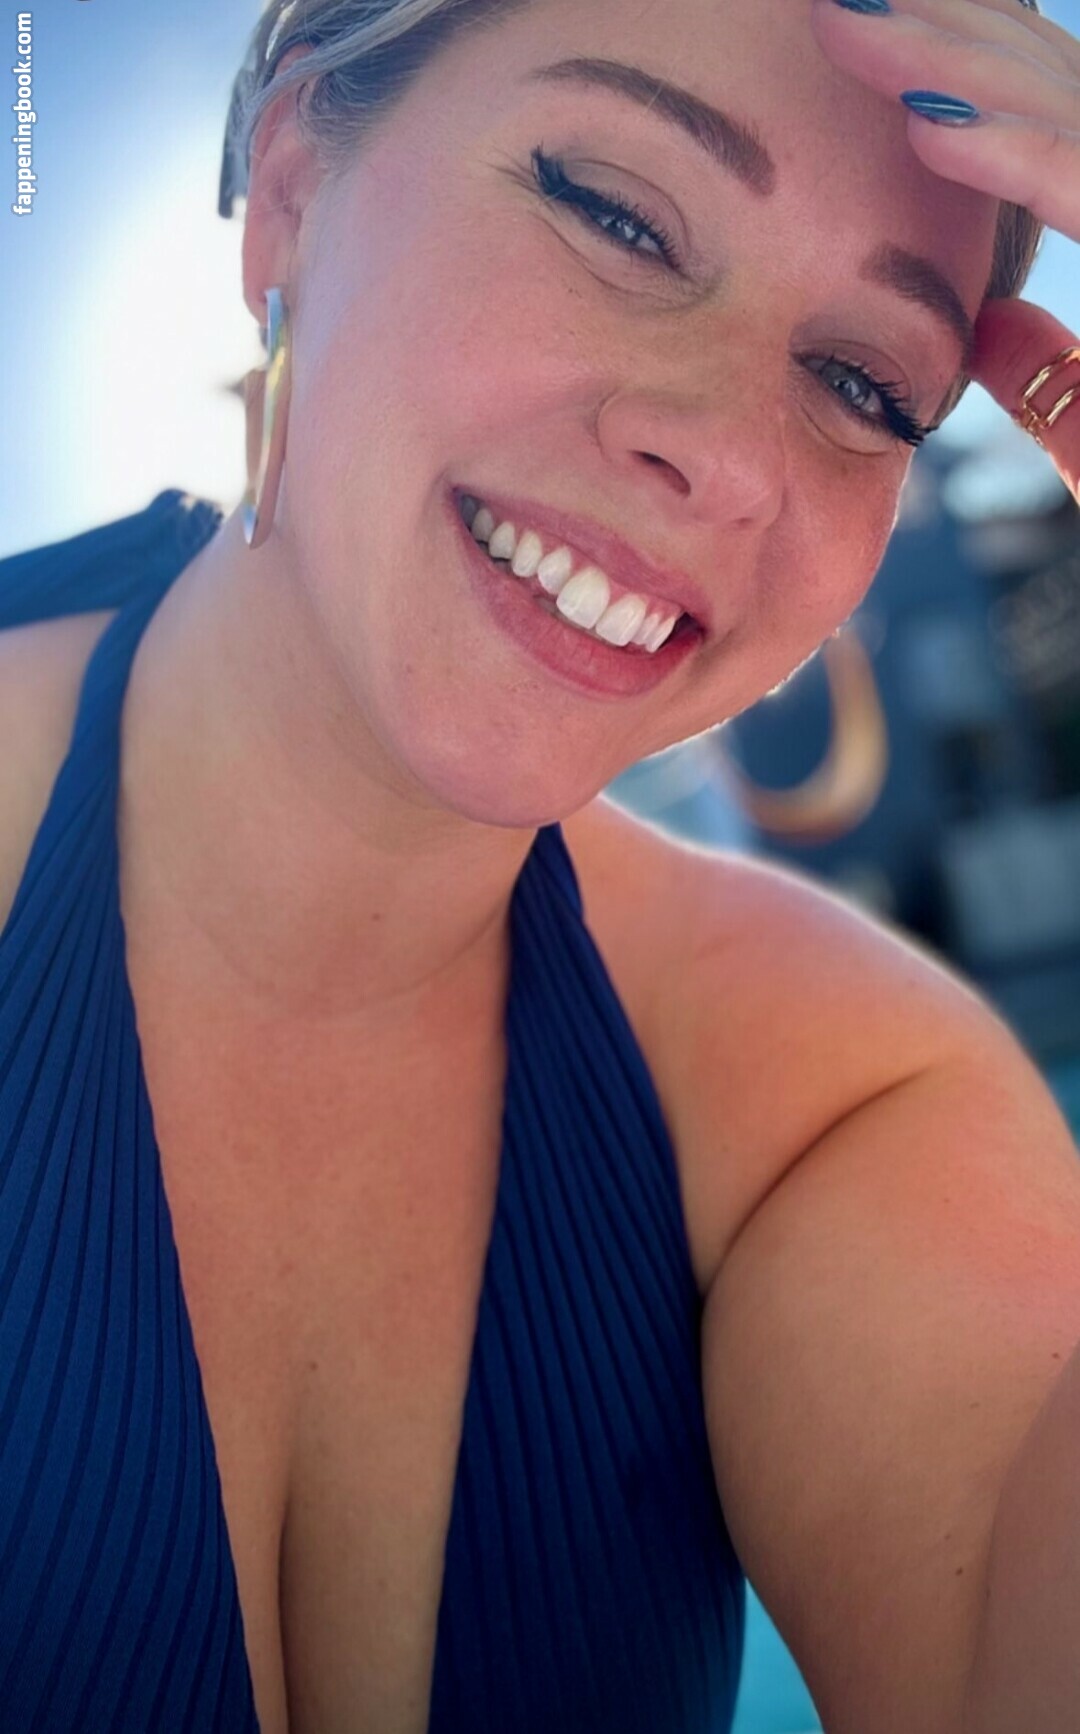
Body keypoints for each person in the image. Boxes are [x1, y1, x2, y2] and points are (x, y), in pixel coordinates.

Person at [1, 0, 1079, 1730]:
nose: (726, 459)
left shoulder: (828, 1087)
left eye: (864, 383)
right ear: (292, 188)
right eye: (619, 216)